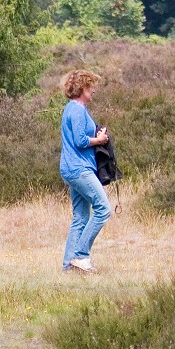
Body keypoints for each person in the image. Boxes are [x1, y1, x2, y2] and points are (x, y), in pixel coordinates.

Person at [59, 69, 111, 273]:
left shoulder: (71, 109)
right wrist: (99, 140)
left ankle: (68, 265)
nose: (93, 91)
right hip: (79, 168)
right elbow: (80, 141)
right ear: (82, 88)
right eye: (90, 87)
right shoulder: (78, 110)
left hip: (72, 168)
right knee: (103, 209)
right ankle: (81, 255)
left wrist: (96, 135)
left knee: (81, 217)